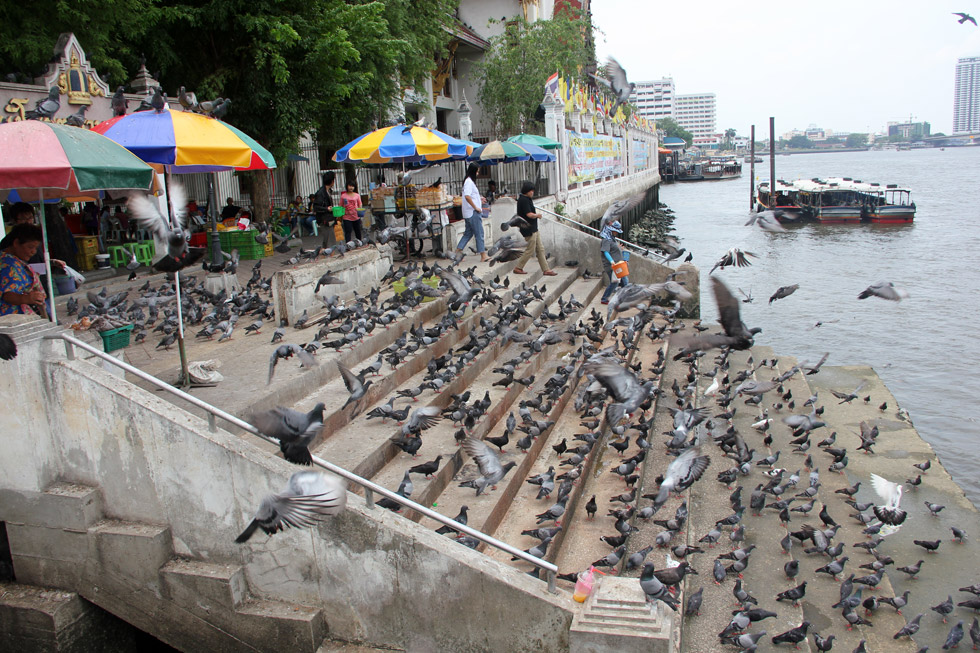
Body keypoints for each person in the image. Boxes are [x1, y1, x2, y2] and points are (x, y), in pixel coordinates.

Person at [0, 223, 47, 318]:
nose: (33, 251)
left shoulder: (12, 259)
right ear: (16, 243)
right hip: (11, 319)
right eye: (30, 247)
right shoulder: (9, 264)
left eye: (35, 248)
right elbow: (8, 295)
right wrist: (27, 298)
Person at [513, 182, 556, 276]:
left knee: (540, 249)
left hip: (533, 228)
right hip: (528, 229)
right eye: (531, 191)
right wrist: (537, 215)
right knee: (530, 249)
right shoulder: (523, 200)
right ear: (527, 191)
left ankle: (546, 269)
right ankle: (518, 267)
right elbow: (529, 214)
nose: (532, 192)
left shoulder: (527, 199)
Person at [454, 163, 487, 262]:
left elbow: (470, 196)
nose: (477, 173)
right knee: (479, 233)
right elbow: (467, 196)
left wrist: (479, 199)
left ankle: (458, 252)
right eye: (477, 171)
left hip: (469, 212)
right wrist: (476, 207)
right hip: (473, 212)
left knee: (468, 233)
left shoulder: (468, 182)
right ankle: (483, 255)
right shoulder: (469, 182)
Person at [599, 219, 629, 304]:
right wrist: (612, 261)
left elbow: (613, 249)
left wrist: (619, 248)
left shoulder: (612, 238)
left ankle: (623, 298)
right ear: (611, 230)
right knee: (615, 283)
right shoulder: (606, 239)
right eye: (615, 231)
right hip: (613, 266)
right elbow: (605, 251)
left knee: (625, 282)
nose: (617, 233)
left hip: (619, 264)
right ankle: (604, 298)